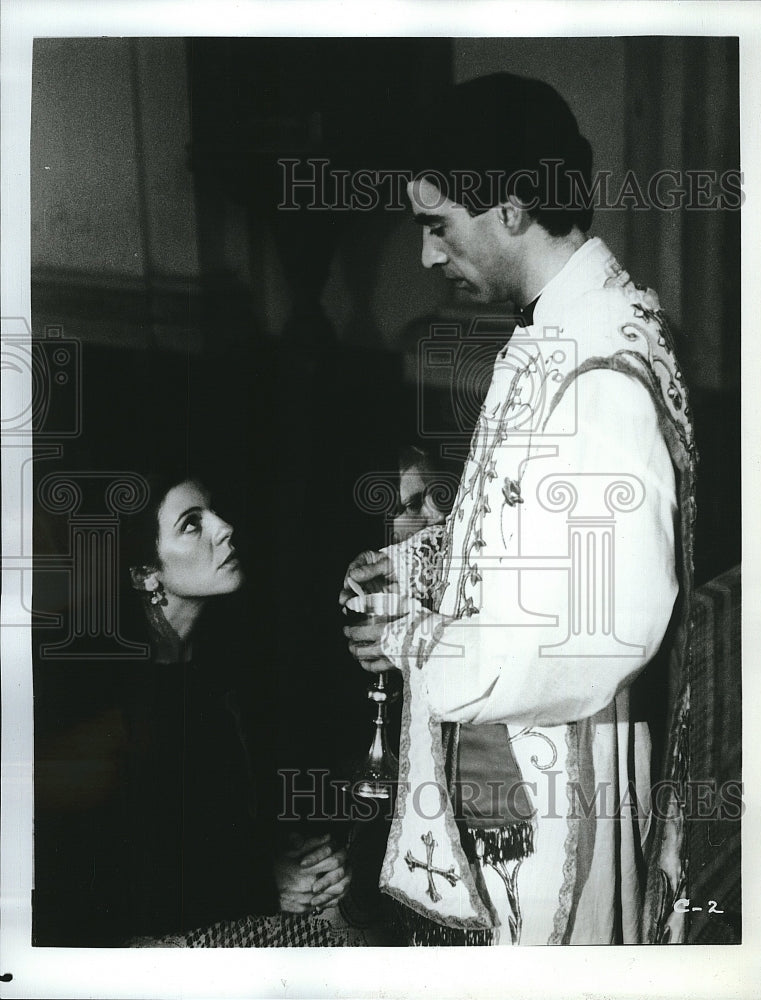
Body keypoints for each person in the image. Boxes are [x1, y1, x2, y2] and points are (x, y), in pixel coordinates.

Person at [340, 73, 695, 946]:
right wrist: (417, 566)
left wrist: (414, 640)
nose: (427, 256)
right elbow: (524, 534)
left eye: (437, 226)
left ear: (509, 207)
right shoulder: (556, 331)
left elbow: (600, 630)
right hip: (527, 779)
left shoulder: (600, 368)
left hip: (561, 792)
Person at [34, 472, 352, 947]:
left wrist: (307, 865)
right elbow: (94, 884)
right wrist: (263, 883)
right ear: (146, 573)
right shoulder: (97, 694)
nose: (224, 528)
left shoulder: (219, 674)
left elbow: (210, 833)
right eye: (191, 524)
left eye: (215, 512)